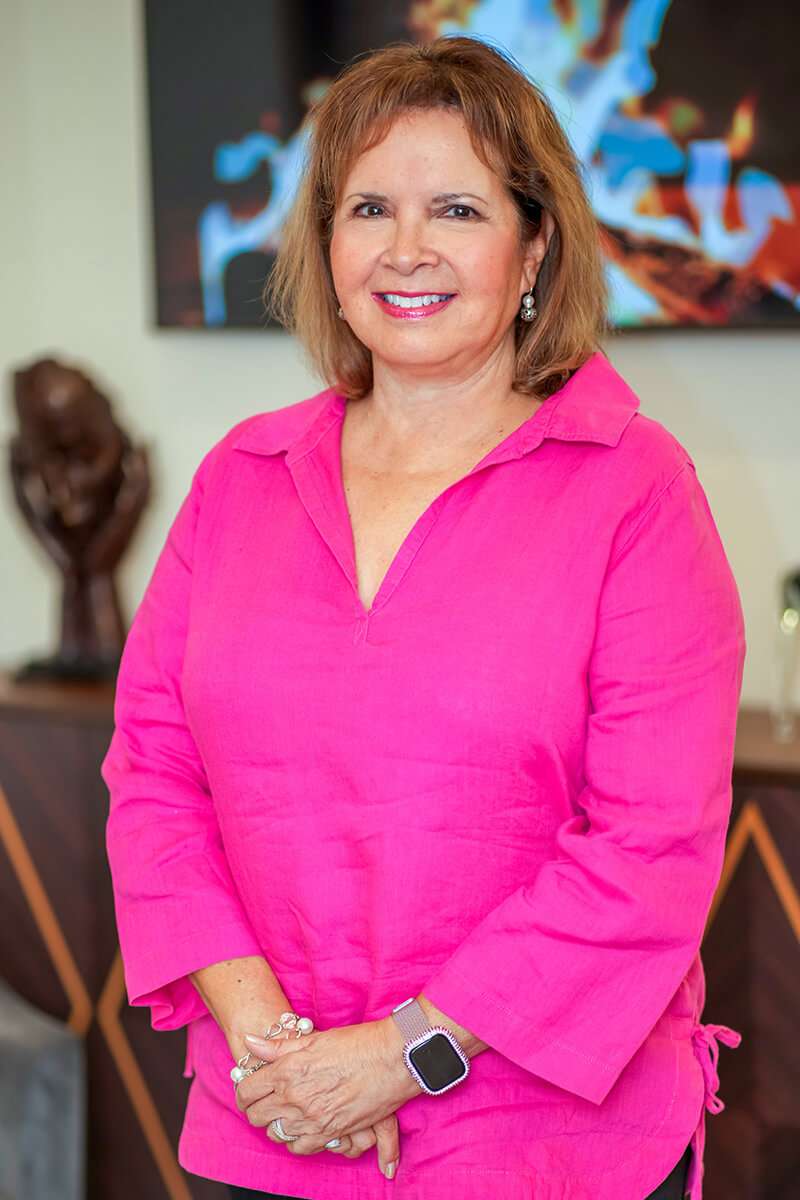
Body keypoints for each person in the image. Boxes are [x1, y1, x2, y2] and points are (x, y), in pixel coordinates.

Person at [102, 35, 747, 1200]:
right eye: (368, 209)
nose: (405, 250)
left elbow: (647, 845)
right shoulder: (239, 481)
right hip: (276, 1117)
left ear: (533, 245)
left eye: (455, 208)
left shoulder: (634, 489)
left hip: (543, 1140)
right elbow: (153, 773)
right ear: (326, 241)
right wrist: (271, 1048)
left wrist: (402, 1057)